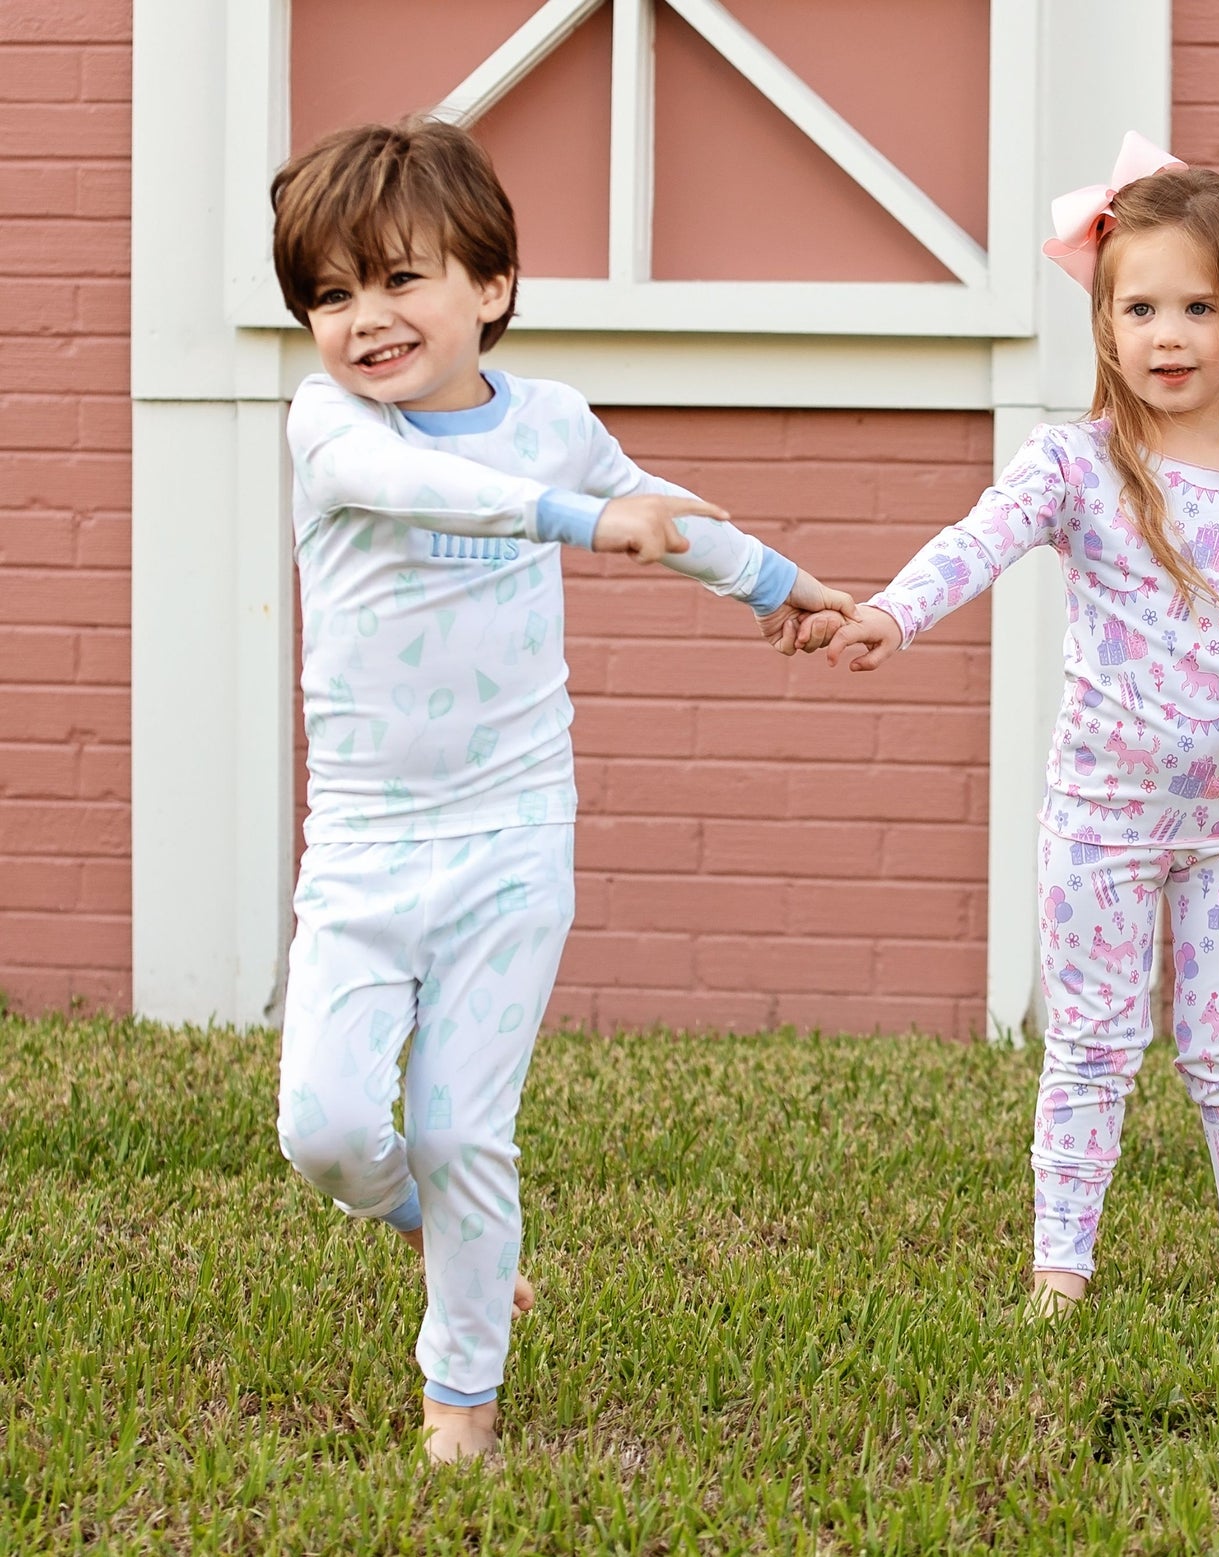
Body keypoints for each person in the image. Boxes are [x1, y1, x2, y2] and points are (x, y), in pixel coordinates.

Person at [267, 117, 852, 1461]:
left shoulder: (553, 422)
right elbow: (429, 487)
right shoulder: (330, 428)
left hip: (513, 832)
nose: (365, 319)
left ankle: (458, 1404)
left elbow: (653, 502)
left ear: (492, 286)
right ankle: (421, 1209)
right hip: (364, 849)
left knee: (467, 1126)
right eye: (331, 294)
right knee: (331, 1131)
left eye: (399, 279)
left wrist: (777, 582)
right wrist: (581, 522)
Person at [824, 133, 1219, 1313]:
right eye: (1137, 308)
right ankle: (1059, 1269)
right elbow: (977, 538)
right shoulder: (1074, 464)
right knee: (1089, 1047)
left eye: (1196, 307)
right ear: (1104, 324)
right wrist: (893, 613)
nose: (1165, 336)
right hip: (1098, 819)